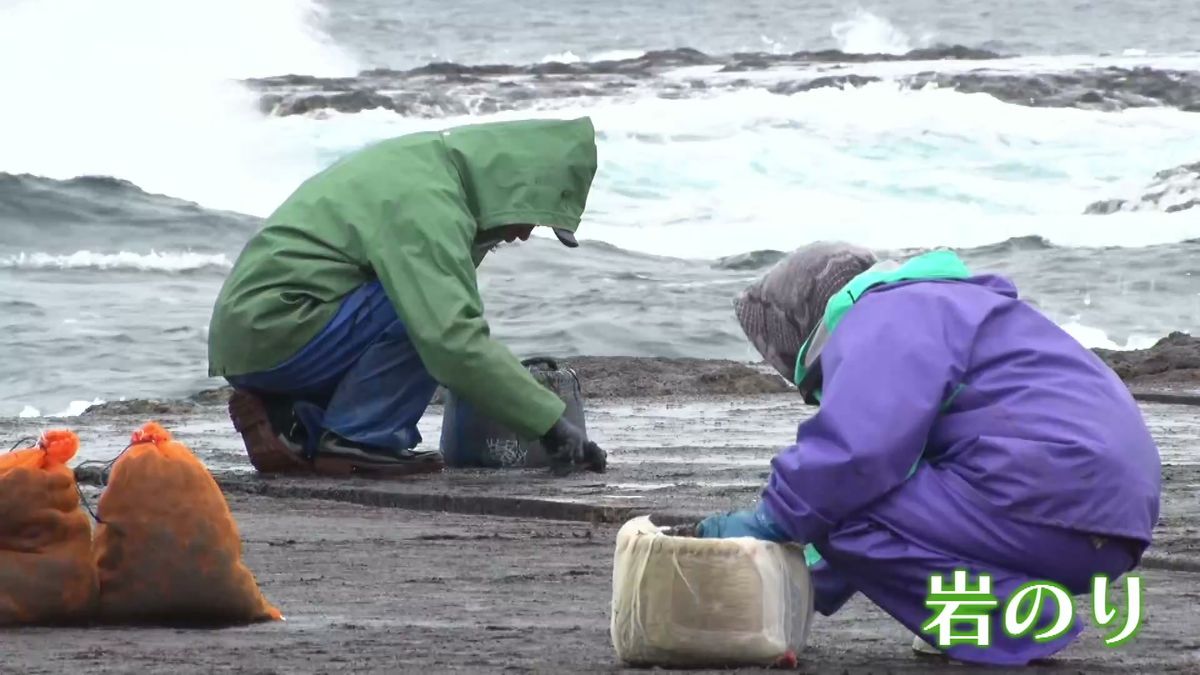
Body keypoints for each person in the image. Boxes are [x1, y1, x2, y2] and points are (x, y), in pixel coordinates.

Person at [694, 242, 1161, 666]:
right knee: (862, 496)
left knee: (838, 502)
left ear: (805, 325)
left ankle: (1008, 621)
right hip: (1113, 524)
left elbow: (853, 461)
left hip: (1055, 502)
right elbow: (896, 488)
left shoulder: (883, 317)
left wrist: (767, 525)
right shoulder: (951, 303)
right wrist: (796, 581)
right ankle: (981, 612)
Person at [208, 117, 607, 477]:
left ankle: (294, 422)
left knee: (418, 302)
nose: (523, 234)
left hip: (262, 332)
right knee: (423, 311)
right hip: (281, 327)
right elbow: (450, 339)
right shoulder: (430, 202)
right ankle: (358, 438)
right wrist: (553, 427)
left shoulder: (427, 168)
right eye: (533, 218)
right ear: (516, 185)